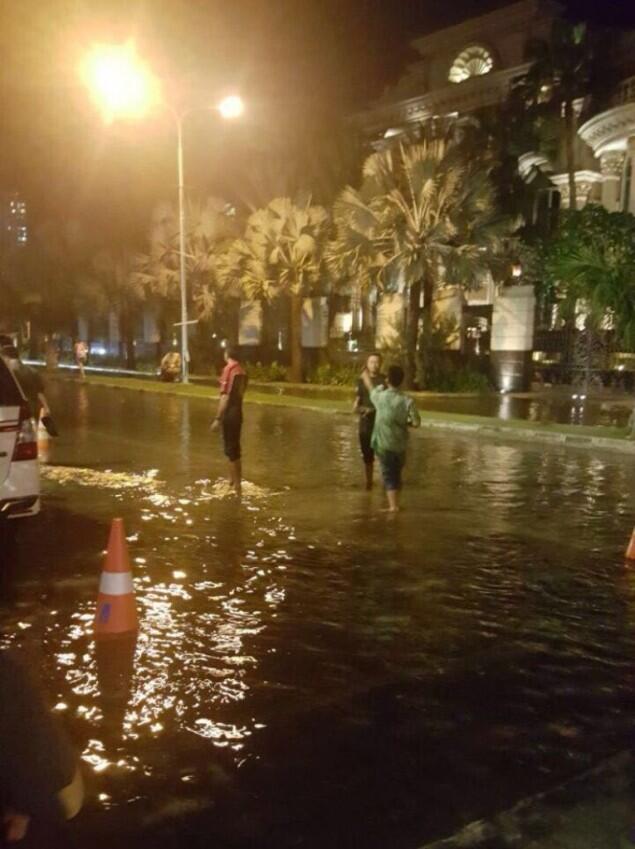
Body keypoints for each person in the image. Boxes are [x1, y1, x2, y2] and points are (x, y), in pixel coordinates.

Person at [0, 651, 83, 845]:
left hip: (45, 791)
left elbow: (27, 749)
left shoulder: (8, 676)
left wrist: (26, 807)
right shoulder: (10, 670)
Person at [361, 363, 421, 512]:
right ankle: (396, 503)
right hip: (400, 445)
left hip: (384, 444)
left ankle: (393, 508)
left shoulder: (380, 397)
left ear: (388, 380)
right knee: (397, 474)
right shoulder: (408, 401)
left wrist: (365, 375)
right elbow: (416, 422)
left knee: (388, 475)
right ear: (401, 381)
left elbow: (370, 388)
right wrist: (404, 422)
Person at [211, 345, 248, 497]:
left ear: (227, 354)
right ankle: (232, 481)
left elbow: (225, 396)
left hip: (229, 414)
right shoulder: (243, 371)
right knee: (234, 447)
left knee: (230, 449)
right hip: (238, 412)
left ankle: (236, 487)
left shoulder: (229, 369)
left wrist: (218, 419)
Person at [353, 353, 386, 490]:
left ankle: (386, 483)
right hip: (365, 422)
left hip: (380, 423)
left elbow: (386, 403)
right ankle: (369, 483)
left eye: (377, 362)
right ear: (367, 363)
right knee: (367, 455)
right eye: (372, 362)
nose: (374, 365)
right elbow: (356, 404)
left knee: (383, 454)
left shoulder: (384, 381)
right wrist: (361, 410)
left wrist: (374, 410)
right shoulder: (360, 381)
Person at [0, 336, 50, 423]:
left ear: (5, 357)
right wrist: (46, 407)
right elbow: (40, 393)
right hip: (32, 410)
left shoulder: (6, 374)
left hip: (11, 411)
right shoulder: (33, 371)